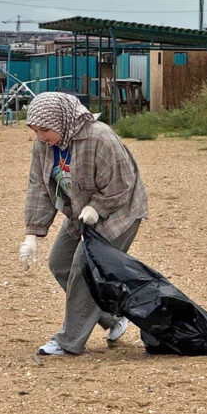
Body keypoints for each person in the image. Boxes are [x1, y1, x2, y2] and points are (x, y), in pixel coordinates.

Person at [18, 92, 149, 356]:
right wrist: (32, 233)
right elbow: (39, 186)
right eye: (35, 130)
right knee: (60, 263)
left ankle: (69, 341)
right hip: (79, 211)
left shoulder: (100, 137)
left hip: (118, 212)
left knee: (84, 266)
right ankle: (112, 317)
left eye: (45, 130)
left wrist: (97, 208)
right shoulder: (43, 145)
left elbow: (122, 183)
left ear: (62, 121)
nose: (40, 136)